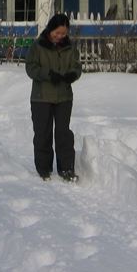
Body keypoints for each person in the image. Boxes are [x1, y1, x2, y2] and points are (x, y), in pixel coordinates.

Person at [25, 13, 82, 182]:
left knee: (63, 134)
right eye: (57, 33)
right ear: (50, 29)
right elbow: (30, 68)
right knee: (43, 133)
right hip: (41, 97)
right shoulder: (37, 46)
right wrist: (48, 74)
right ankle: (44, 168)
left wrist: (73, 74)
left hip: (64, 97)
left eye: (63, 34)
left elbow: (77, 66)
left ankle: (66, 169)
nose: (60, 37)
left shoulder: (70, 47)